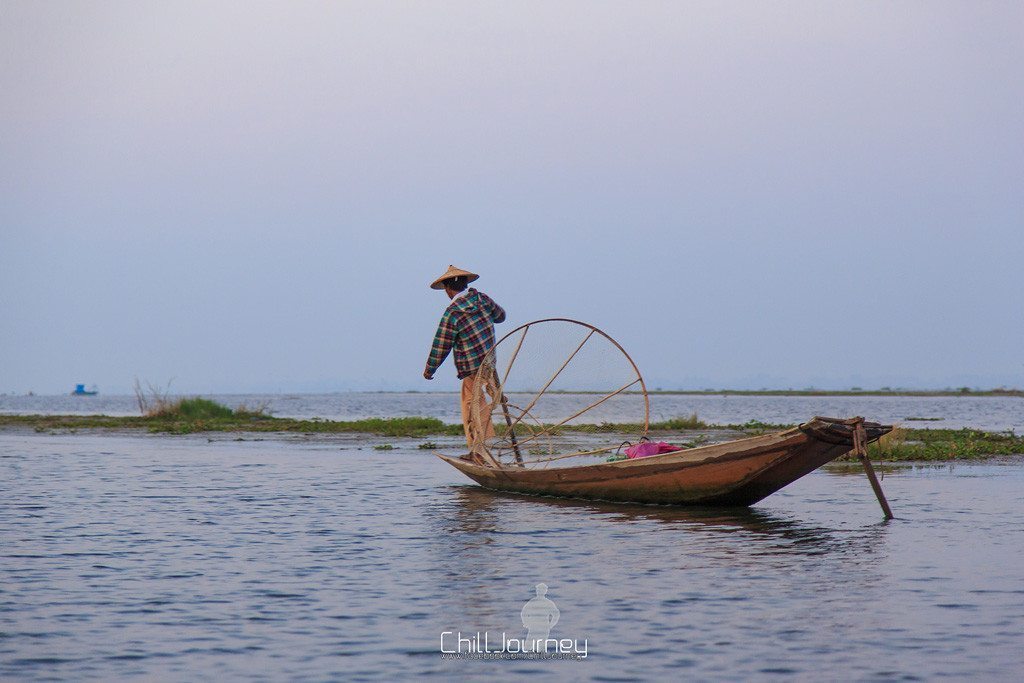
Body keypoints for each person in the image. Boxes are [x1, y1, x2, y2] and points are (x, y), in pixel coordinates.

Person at [423, 265, 506, 453]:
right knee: (481, 400)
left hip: (471, 367)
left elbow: (441, 344)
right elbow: (501, 316)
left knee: (471, 406)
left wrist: (429, 370)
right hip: (490, 362)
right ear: (465, 284)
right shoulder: (482, 299)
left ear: (448, 289)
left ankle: (478, 450)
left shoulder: (453, 312)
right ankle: (482, 445)